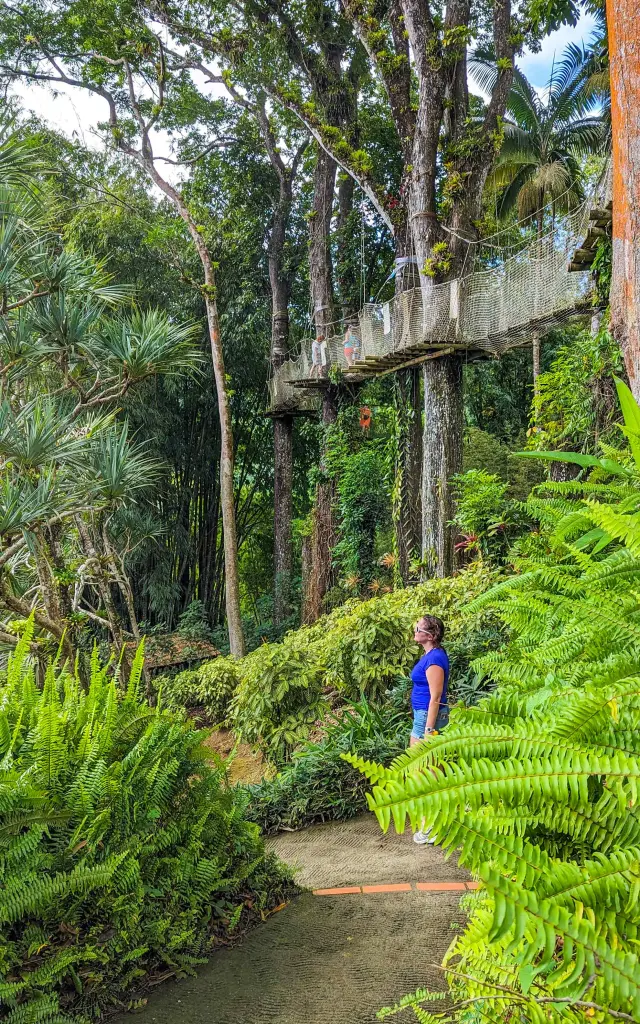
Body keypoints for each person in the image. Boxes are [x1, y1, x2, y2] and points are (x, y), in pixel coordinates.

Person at [409, 614, 449, 845]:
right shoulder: (431, 656)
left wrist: (429, 730)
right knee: (432, 769)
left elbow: (435, 698)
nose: (415, 631)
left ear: (430, 635)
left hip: (427, 717)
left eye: (418, 628)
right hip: (423, 716)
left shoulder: (434, 660)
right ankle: (440, 819)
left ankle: (431, 826)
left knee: (423, 772)